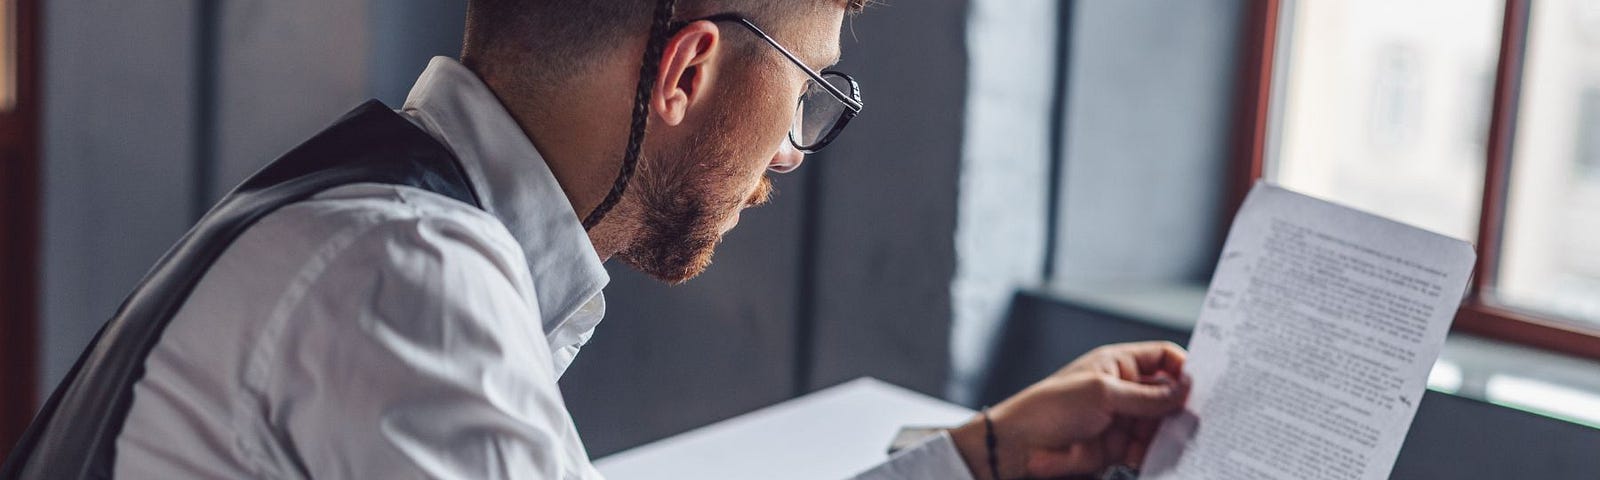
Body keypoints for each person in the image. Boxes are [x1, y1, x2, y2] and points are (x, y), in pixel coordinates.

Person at [3, 1, 1190, 479]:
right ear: (686, 70)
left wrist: (975, 456)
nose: (789, 151)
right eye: (806, 94)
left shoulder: (371, 209)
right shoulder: (406, 276)